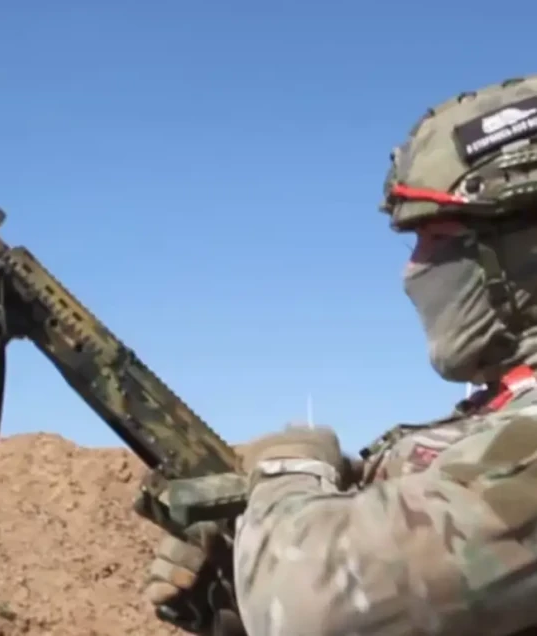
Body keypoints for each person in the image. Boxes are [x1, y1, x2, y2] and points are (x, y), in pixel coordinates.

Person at [143, 74, 537, 635]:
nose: (412, 269)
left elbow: (312, 606)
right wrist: (237, 585)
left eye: (438, 238)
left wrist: (288, 475)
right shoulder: (490, 422)